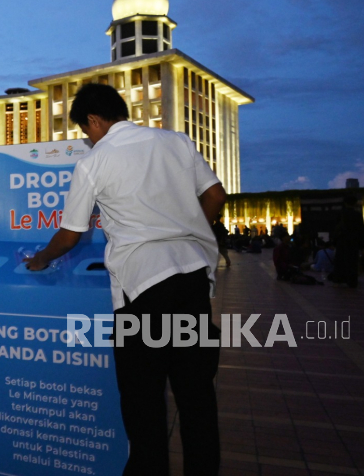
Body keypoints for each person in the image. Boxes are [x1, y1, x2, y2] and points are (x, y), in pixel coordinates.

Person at [24, 83, 224, 475]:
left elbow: (70, 235)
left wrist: (39, 259)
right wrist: (188, 228)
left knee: (143, 402)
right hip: (192, 279)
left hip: (144, 287)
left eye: (85, 130)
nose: (87, 138)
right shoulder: (176, 141)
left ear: (95, 120)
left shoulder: (95, 161)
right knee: (196, 396)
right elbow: (215, 196)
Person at [330, 195, 363, 288]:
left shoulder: (340, 214)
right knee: (352, 262)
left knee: (340, 261)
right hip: (353, 241)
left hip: (342, 240)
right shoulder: (358, 215)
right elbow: (361, 229)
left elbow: (335, 228)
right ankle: (352, 281)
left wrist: (334, 241)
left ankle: (338, 279)